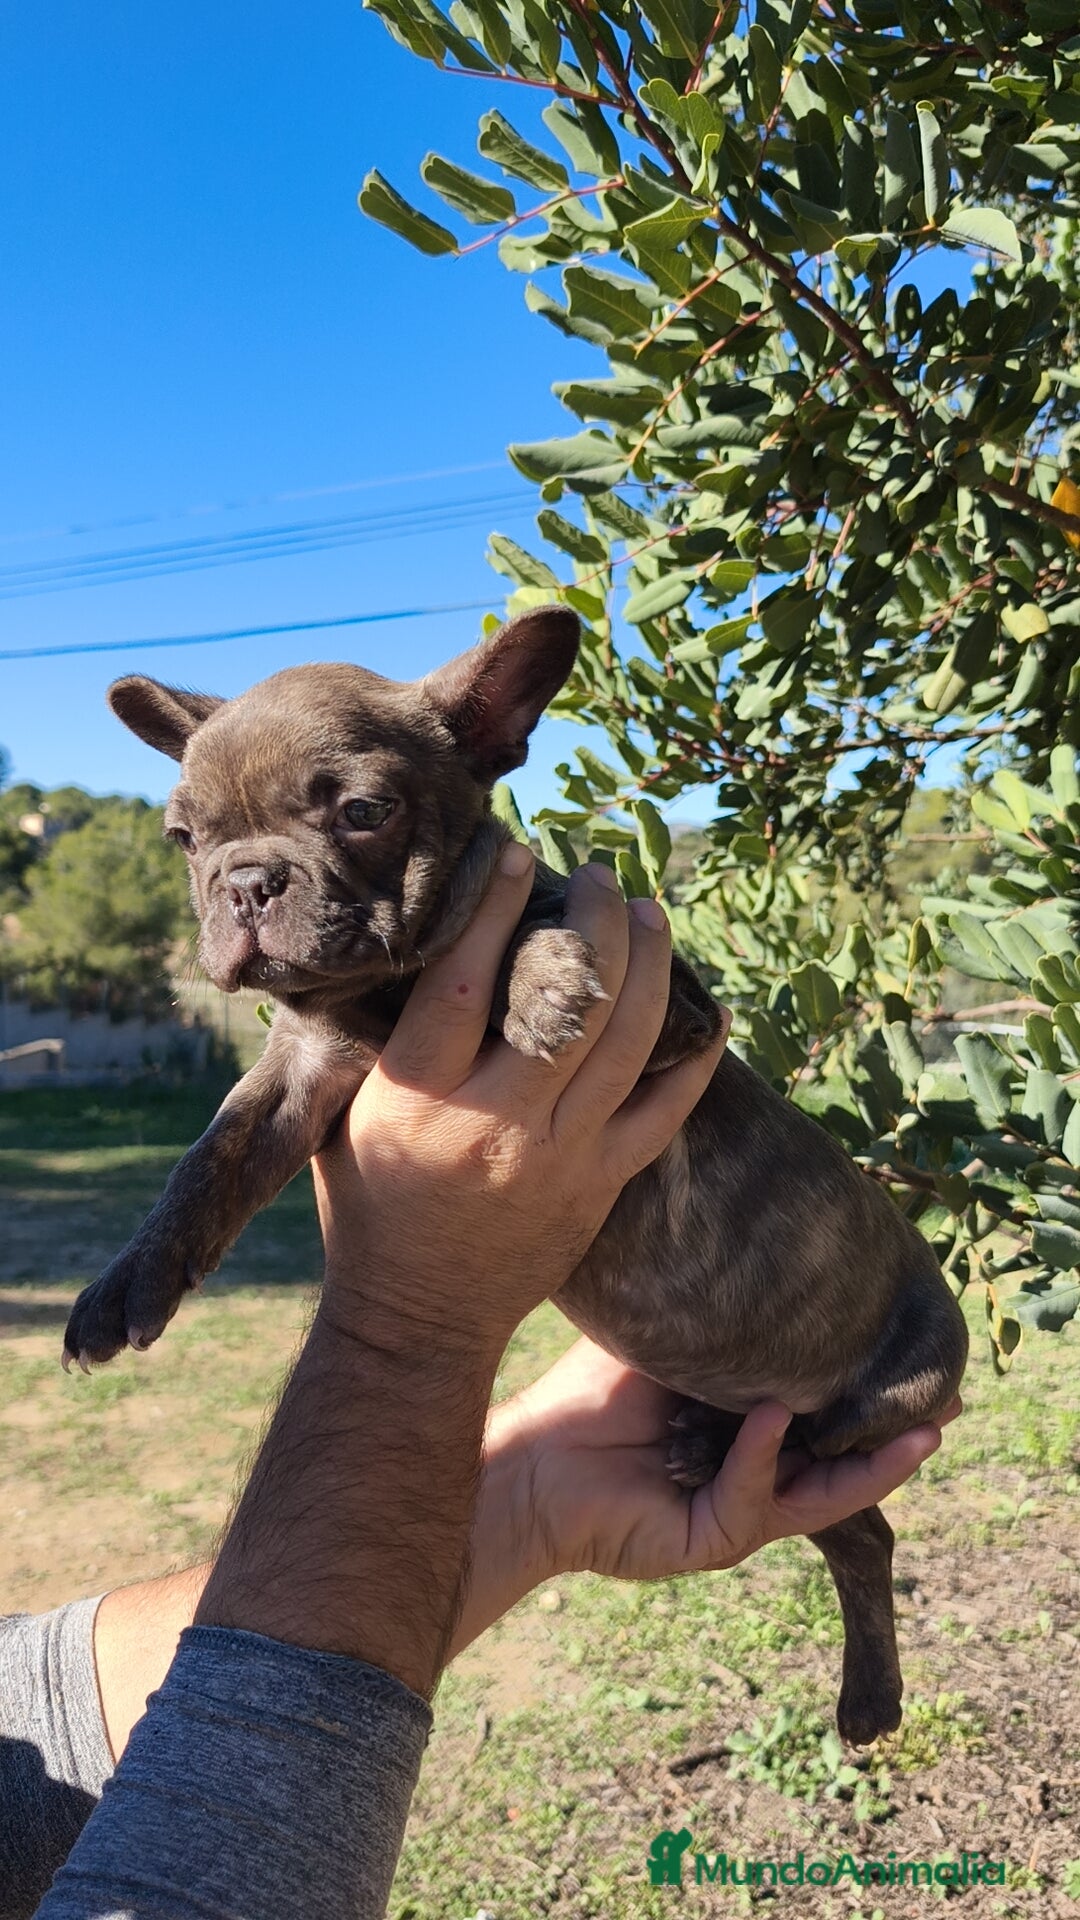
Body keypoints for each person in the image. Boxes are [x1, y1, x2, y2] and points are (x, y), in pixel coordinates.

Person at [0, 849, 956, 1919]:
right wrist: (240, 1275)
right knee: (797, 1460)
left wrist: (554, 958)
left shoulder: (521, 923)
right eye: (196, 841)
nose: (249, 883)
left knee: (869, 1424)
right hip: (693, 1360)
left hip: (876, 1336)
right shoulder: (334, 996)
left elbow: (684, 1027)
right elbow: (274, 1101)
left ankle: (852, 1574)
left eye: (356, 812)